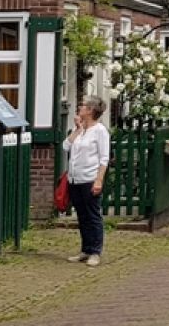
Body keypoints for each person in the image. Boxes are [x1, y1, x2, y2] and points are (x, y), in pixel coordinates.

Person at [63, 95, 110, 267]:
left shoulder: (100, 131)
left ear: (90, 110)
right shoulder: (81, 130)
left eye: (82, 106)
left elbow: (104, 158)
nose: (80, 108)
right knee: (82, 216)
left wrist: (99, 180)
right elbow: (65, 146)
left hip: (90, 178)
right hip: (75, 179)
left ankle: (95, 251)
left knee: (93, 216)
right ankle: (85, 249)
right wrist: (77, 129)